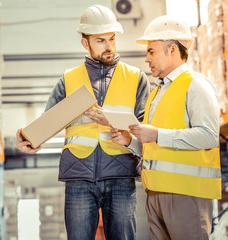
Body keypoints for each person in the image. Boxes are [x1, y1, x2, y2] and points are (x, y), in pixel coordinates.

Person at [16, 5, 151, 240]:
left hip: (120, 175)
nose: (109, 46)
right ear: (85, 43)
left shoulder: (136, 78)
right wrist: (27, 138)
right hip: (78, 175)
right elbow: (45, 125)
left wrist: (129, 139)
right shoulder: (68, 80)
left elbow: (147, 133)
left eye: (111, 39)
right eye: (100, 40)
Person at [110, 15, 222, 240]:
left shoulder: (196, 85)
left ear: (172, 49)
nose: (146, 59)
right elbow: (156, 145)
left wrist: (157, 134)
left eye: (151, 51)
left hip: (185, 194)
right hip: (155, 194)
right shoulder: (156, 93)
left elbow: (209, 136)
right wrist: (131, 142)